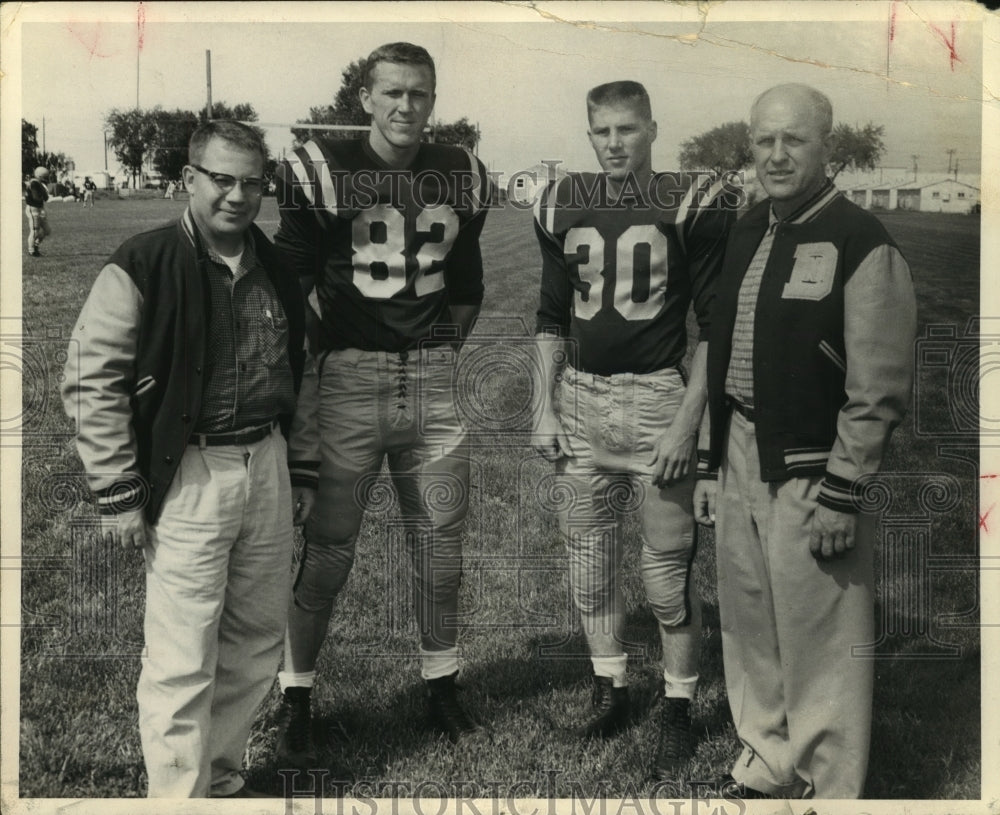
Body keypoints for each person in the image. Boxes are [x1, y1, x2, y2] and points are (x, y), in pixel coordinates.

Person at [61, 120, 318, 798]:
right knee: (182, 649)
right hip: (190, 472)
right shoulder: (144, 261)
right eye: (221, 178)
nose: (237, 194)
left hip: (265, 460)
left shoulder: (280, 269)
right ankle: (177, 795)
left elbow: (304, 376)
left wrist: (303, 468)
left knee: (257, 636)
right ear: (189, 179)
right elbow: (92, 377)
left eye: (252, 182)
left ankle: (223, 775)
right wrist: (116, 485)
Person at [273, 41, 493, 762]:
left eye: (420, 94)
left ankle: (440, 683)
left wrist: (425, 351)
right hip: (348, 382)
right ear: (365, 97)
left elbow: (466, 290)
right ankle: (295, 692)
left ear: (434, 98)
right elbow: (292, 286)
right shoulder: (321, 167)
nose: (406, 106)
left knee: (440, 547)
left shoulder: (459, 172)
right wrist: (347, 353)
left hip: (431, 381)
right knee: (330, 549)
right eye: (392, 93)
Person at [695, 83, 917, 798]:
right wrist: (708, 461)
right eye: (764, 140)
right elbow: (722, 346)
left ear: (829, 146)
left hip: (814, 469)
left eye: (794, 139)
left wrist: (843, 491)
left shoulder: (860, 240)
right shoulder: (748, 225)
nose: (777, 154)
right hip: (739, 453)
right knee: (750, 621)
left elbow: (876, 384)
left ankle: (830, 786)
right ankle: (767, 757)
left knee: (820, 638)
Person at [532, 81, 736, 779]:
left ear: (653, 128)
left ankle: (678, 708)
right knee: (588, 563)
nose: (614, 143)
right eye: (601, 131)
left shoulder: (689, 201)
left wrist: (689, 422)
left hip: (656, 400)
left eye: (627, 129)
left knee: (665, 574)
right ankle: (610, 685)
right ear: (588, 134)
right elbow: (549, 317)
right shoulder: (563, 202)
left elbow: (715, 326)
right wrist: (543, 403)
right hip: (582, 399)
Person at [25, 166, 51, 256]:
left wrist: (44, 190)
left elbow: (46, 198)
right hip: (33, 208)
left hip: (40, 208)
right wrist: (43, 194)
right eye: (45, 176)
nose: (47, 179)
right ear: (40, 176)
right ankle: (31, 250)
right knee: (35, 230)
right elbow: (36, 198)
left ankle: (36, 244)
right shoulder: (34, 183)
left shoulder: (39, 183)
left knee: (47, 230)